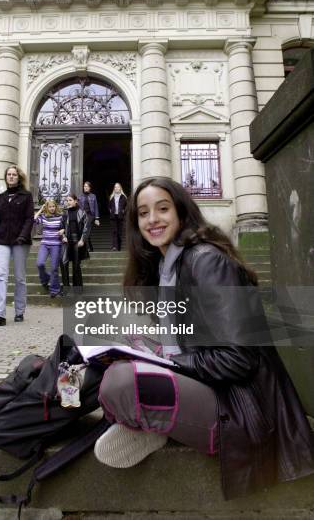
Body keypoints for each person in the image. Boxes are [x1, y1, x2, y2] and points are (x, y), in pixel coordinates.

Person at [94, 177, 314, 500]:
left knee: (121, 383)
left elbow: (239, 358)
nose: (152, 219)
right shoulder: (169, 266)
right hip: (213, 384)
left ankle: (157, 425)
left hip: (241, 405)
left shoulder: (206, 261)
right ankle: (154, 420)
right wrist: (150, 349)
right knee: (106, 359)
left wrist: (169, 361)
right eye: (143, 213)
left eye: (162, 209)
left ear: (181, 211)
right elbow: (190, 342)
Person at [0, 166, 34, 327]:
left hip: (20, 241)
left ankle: (19, 310)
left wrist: (23, 236)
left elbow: (29, 219)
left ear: (18, 177)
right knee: (0, 275)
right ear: (6, 177)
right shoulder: (1, 197)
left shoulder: (26, 196)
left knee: (20, 277)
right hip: (2, 240)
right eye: (9, 174)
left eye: (14, 174)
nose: (11, 177)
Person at [34, 199, 64, 298]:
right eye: (50, 207)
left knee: (54, 268)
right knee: (40, 263)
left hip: (56, 244)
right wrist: (41, 209)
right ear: (47, 207)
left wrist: (63, 230)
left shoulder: (60, 217)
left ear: (56, 207)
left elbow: (65, 227)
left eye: (53, 206)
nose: (52, 208)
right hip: (45, 244)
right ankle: (45, 280)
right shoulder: (44, 217)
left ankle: (54, 290)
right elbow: (33, 219)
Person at [61, 193, 89, 290]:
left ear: (76, 201)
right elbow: (61, 227)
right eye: (67, 200)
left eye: (70, 200)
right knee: (64, 263)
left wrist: (82, 240)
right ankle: (66, 288)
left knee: (76, 266)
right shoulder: (65, 213)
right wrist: (63, 236)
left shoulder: (82, 212)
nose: (68, 202)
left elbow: (86, 227)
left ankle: (77, 289)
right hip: (67, 241)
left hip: (78, 241)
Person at [78, 181, 99, 252]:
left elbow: (96, 207)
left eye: (87, 186)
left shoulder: (93, 196)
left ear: (90, 188)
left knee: (86, 229)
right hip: (83, 216)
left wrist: (97, 218)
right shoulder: (80, 196)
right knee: (86, 232)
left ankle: (86, 247)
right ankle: (90, 248)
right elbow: (79, 208)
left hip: (90, 216)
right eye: (84, 186)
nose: (85, 188)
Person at [108, 182, 127, 251]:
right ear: (114, 188)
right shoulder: (111, 197)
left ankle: (119, 247)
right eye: (115, 187)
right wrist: (111, 211)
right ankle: (114, 247)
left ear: (120, 188)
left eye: (118, 187)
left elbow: (126, 207)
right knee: (114, 231)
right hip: (113, 217)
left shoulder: (123, 197)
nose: (116, 188)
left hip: (120, 217)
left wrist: (123, 211)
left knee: (119, 233)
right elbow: (109, 206)